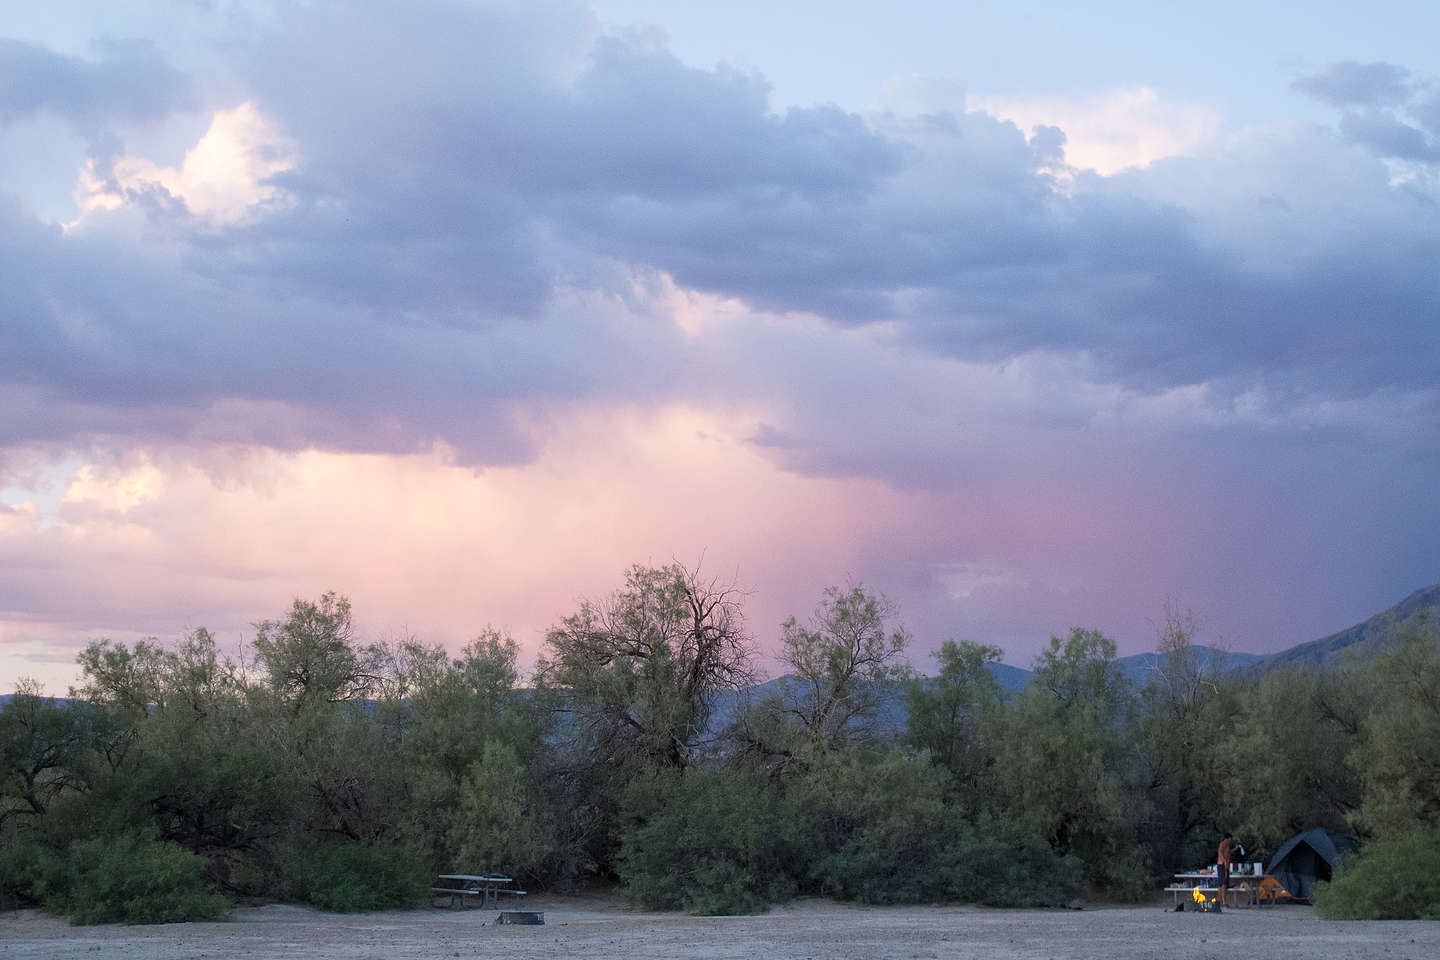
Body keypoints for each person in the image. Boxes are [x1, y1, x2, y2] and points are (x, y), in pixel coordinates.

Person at [1216, 832, 1235, 912]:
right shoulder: (1223, 843)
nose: (1231, 841)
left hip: (1226, 866)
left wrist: (1236, 848)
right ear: (1227, 838)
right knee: (1222, 883)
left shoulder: (1227, 846)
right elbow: (1220, 852)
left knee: (1224, 884)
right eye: (1230, 839)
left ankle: (1221, 901)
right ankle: (1223, 901)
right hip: (1221, 865)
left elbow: (1229, 852)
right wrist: (1224, 861)